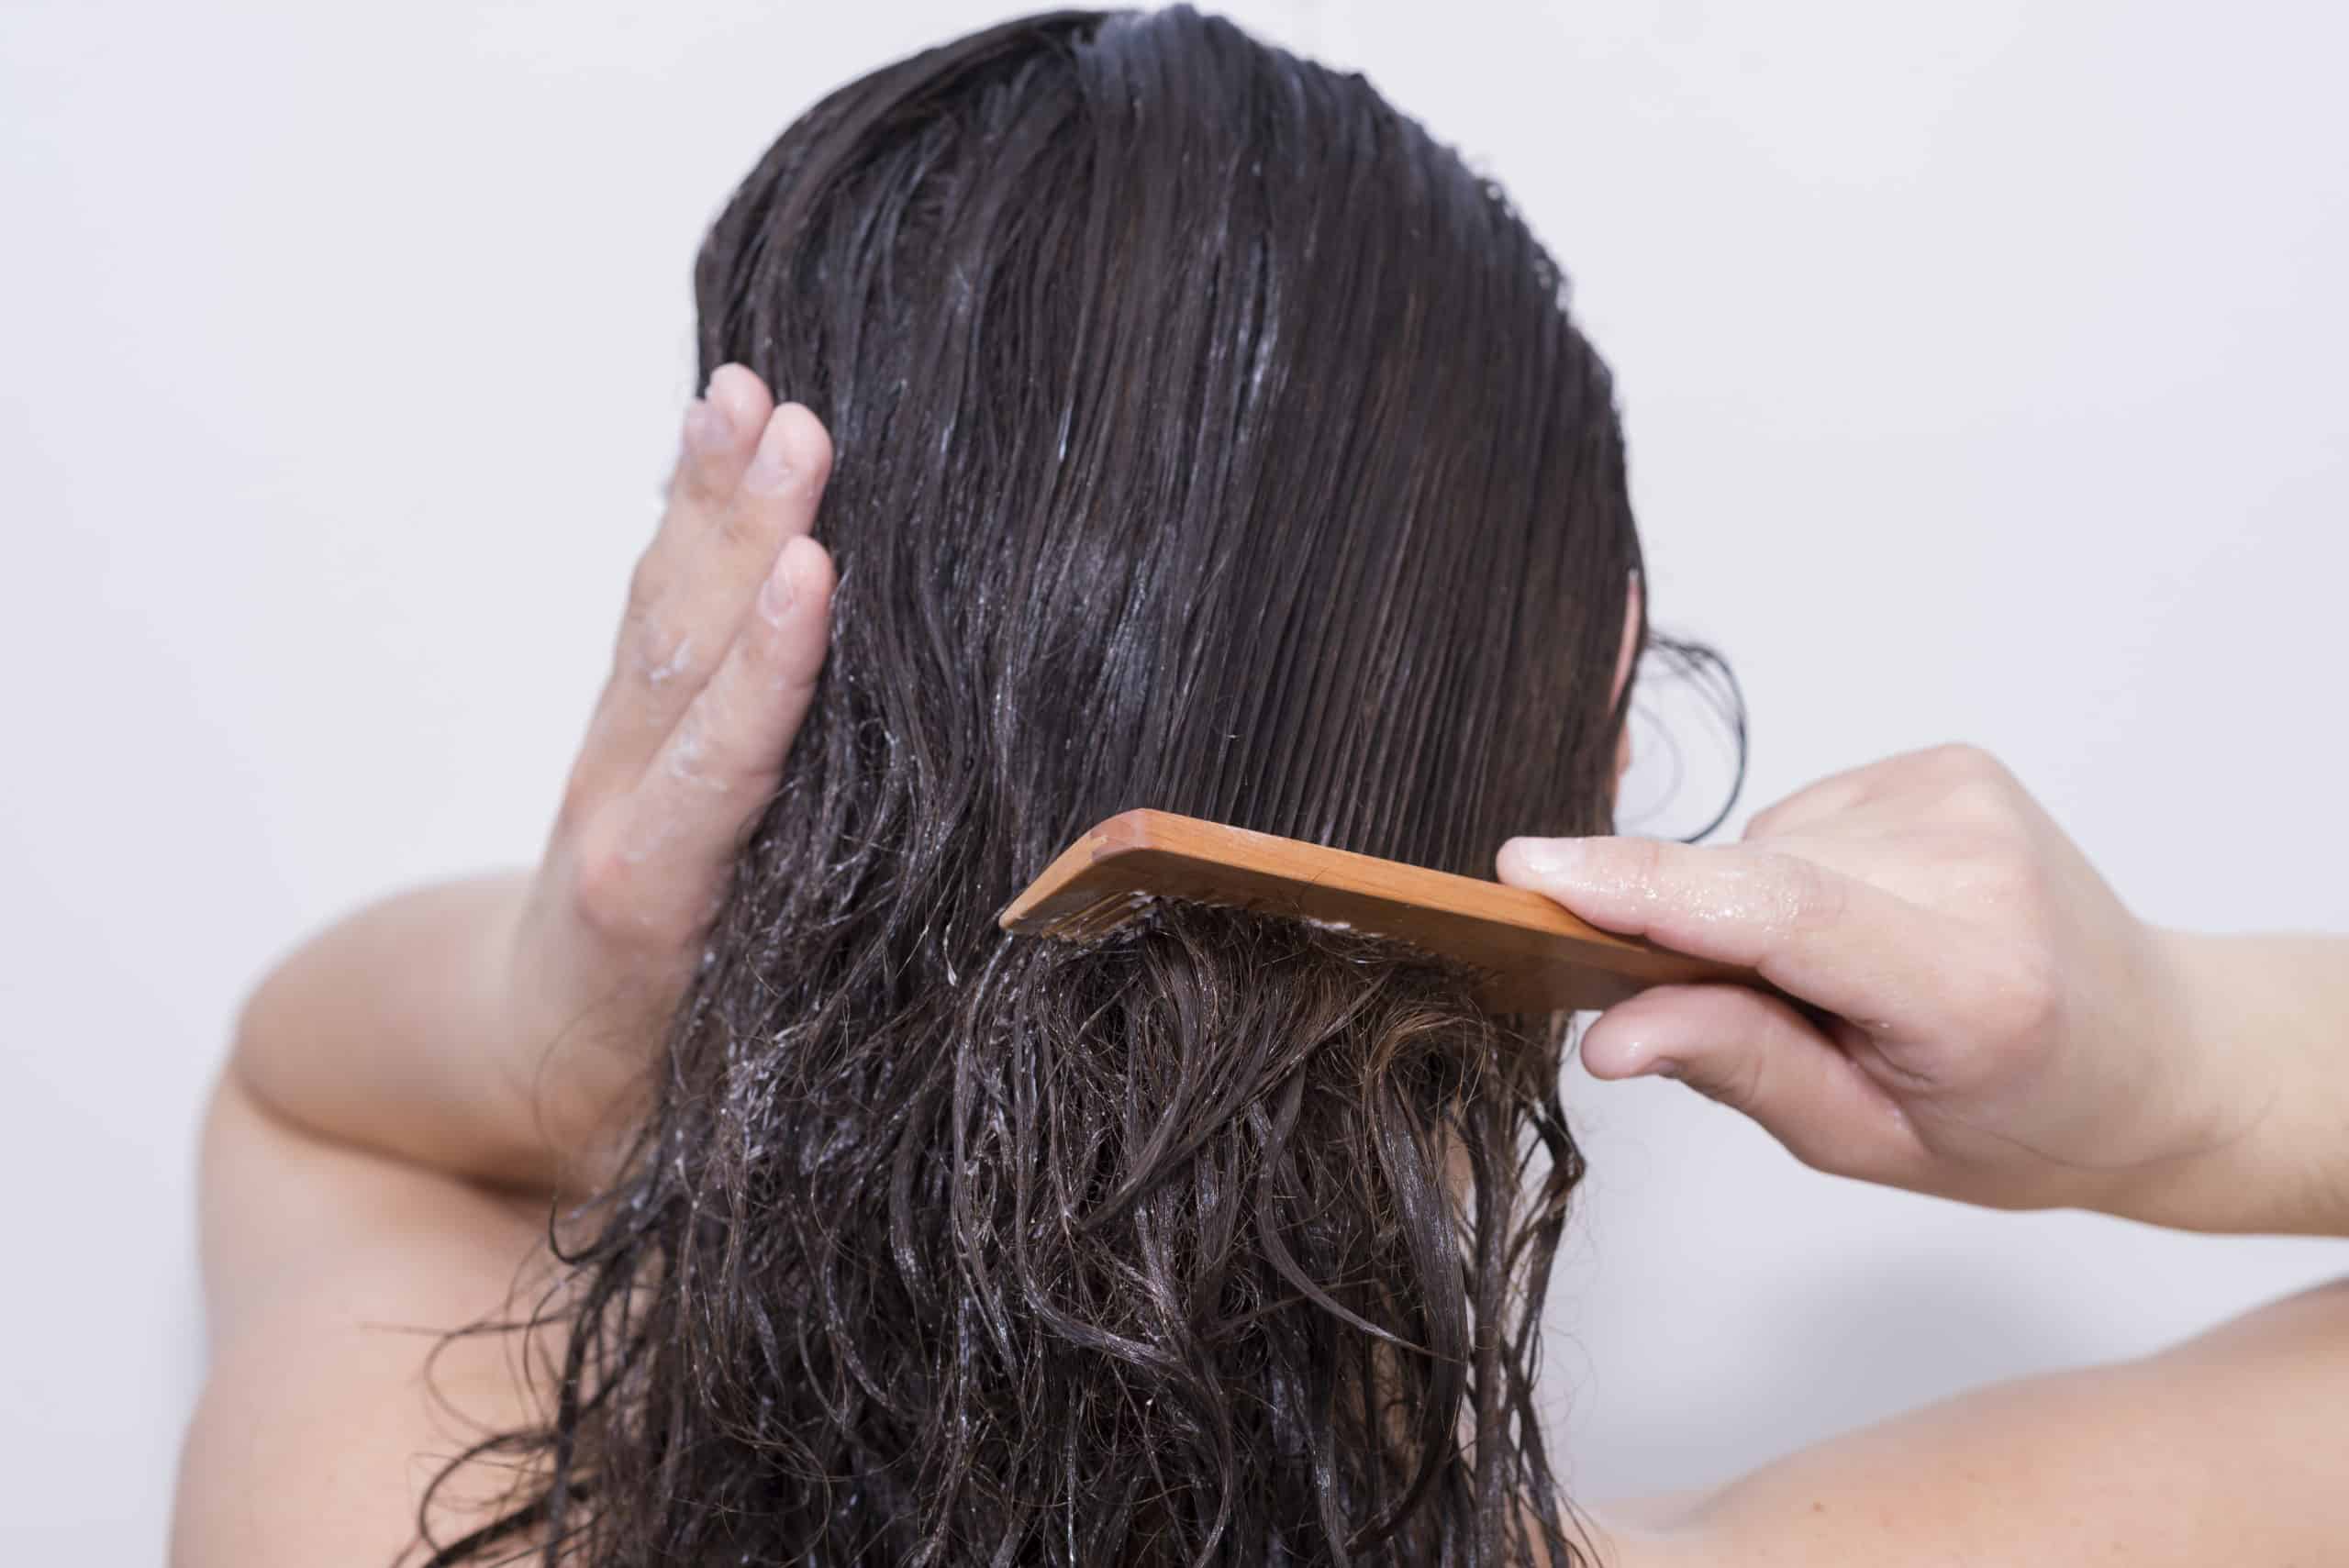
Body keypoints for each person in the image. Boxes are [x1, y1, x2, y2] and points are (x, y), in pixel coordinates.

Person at [170, 8, 2349, 1565]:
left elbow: (299, 1091)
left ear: (759, 713)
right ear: (1584, 752)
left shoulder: (360, 1503)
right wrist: (2176, 1070)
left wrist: (581, 977)